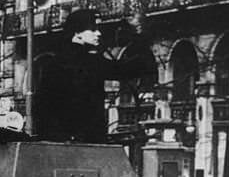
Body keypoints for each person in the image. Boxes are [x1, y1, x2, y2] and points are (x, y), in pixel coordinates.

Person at [32, 9, 146, 143]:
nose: (98, 33)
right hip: (82, 142)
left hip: (67, 142)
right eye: (93, 29)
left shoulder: (55, 62)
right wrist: (139, 36)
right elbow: (127, 70)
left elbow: (40, 106)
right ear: (77, 33)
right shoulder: (88, 61)